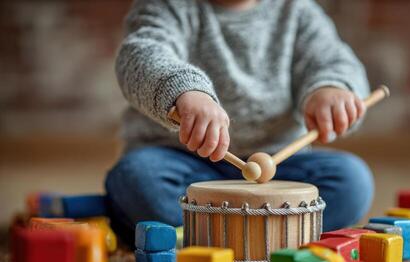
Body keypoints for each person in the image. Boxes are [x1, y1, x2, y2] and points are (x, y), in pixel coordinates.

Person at [106, 0, 374, 248]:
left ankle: (216, 236)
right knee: (137, 178)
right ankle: (267, 237)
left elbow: (333, 60)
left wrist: (331, 87)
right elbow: (141, 52)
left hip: (278, 174)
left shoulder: (297, 10)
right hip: (186, 166)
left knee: (352, 181)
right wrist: (185, 92)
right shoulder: (168, 6)